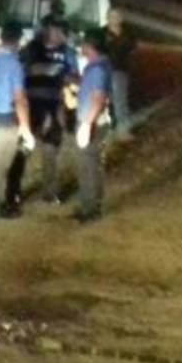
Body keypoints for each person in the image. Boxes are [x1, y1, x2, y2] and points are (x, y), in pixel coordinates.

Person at [7, 18, 78, 207]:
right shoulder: (30, 50)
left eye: (63, 31)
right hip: (31, 106)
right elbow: (17, 74)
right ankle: (12, 192)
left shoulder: (68, 53)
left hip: (54, 105)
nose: (61, 34)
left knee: (51, 149)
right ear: (46, 30)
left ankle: (50, 192)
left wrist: (70, 83)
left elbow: (74, 76)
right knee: (23, 149)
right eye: (56, 29)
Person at [0, 24, 35, 219]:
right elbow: (20, 98)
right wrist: (25, 128)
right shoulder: (14, 64)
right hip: (6, 117)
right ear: (18, 41)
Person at [73, 29, 112, 223]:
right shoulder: (99, 66)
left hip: (93, 123)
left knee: (88, 166)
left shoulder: (97, 69)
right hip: (95, 121)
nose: (81, 47)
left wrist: (86, 125)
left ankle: (90, 209)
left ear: (90, 46)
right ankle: (91, 205)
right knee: (91, 165)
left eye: (83, 43)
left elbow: (98, 99)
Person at [105, 8, 139, 139]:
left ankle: (122, 130)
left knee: (121, 101)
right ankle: (116, 129)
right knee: (111, 101)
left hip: (122, 71)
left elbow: (133, 49)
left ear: (121, 18)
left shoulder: (128, 34)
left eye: (117, 16)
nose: (114, 18)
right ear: (107, 18)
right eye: (112, 16)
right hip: (106, 71)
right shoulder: (102, 34)